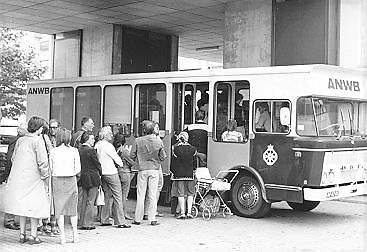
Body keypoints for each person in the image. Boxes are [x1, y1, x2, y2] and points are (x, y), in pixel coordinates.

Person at [2, 116, 50, 245]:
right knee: (35, 207)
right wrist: (45, 176)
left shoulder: (21, 140)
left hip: (20, 178)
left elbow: (13, 159)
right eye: (42, 128)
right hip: (34, 179)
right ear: (39, 128)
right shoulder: (37, 141)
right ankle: (33, 236)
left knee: (23, 207)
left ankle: (22, 234)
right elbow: (43, 162)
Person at [131, 120, 167, 226]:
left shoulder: (138, 140)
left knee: (140, 195)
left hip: (142, 169)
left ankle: (138, 219)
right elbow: (163, 156)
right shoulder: (158, 141)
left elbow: (132, 155)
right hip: (154, 169)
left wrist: (139, 160)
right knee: (152, 194)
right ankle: (152, 218)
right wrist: (156, 161)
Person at [49, 128, 81, 244]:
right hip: (71, 179)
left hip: (57, 180)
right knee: (72, 209)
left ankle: (62, 237)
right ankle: (75, 235)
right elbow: (78, 169)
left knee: (59, 209)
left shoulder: (53, 151)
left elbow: (51, 168)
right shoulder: (74, 151)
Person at [95, 126, 131, 228]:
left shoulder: (97, 145)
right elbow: (117, 160)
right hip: (111, 172)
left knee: (107, 196)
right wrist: (120, 163)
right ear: (106, 135)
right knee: (118, 195)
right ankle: (120, 221)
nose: (112, 135)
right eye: (110, 133)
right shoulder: (108, 146)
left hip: (102, 173)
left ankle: (104, 219)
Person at [2, 123, 27, 231]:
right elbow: (10, 159)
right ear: (21, 131)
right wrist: (8, 173)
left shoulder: (20, 140)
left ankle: (11, 220)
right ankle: (9, 220)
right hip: (15, 173)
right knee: (13, 196)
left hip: (15, 172)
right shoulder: (17, 141)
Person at [78, 131, 102, 230]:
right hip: (93, 176)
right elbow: (97, 164)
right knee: (91, 200)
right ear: (87, 139)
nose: (94, 140)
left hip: (83, 176)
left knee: (84, 200)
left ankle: (81, 221)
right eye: (92, 139)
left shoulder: (79, 150)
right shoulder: (91, 150)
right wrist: (100, 172)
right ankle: (88, 223)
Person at [170, 132, 197, 219]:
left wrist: (173, 172)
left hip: (179, 174)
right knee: (190, 193)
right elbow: (195, 164)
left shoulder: (175, 149)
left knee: (181, 193)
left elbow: (173, 163)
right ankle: (189, 212)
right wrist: (193, 171)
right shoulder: (193, 149)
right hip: (190, 174)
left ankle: (182, 213)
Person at [143, 122, 164, 220]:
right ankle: (152, 211)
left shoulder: (142, 139)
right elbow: (162, 155)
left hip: (145, 167)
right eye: (156, 127)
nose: (158, 129)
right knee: (156, 188)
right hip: (156, 166)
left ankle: (146, 212)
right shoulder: (157, 140)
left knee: (147, 190)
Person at [113, 133, 135, 220]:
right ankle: (123, 213)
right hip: (125, 172)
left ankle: (115, 213)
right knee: (124, 195)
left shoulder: (115, 150)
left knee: (117, 195)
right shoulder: (124, 151)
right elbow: (131, 162)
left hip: (117, 172)